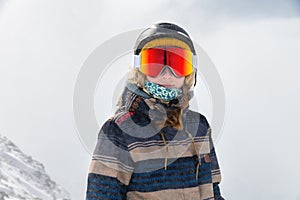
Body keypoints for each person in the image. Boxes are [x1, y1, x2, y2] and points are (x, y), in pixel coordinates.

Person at [86, 22, 225, 200]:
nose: (167, 75)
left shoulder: (199, 127)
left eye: (178, 64)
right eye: (155, 64)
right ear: (140, 72)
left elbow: (213, 191)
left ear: (189, 75)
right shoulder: (119, 130)